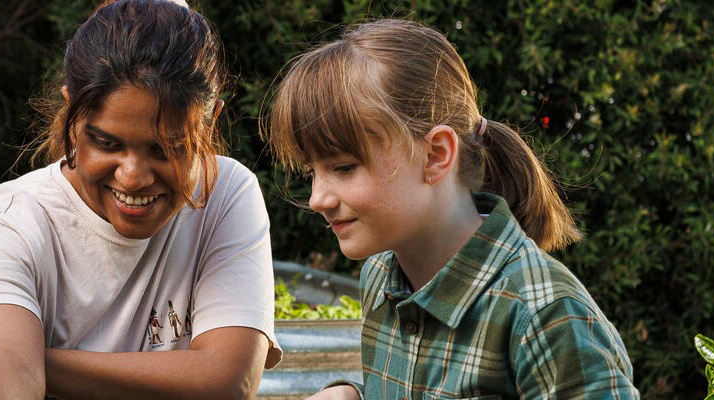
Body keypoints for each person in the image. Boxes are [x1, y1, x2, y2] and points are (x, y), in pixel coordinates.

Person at [0, 1, 281, 398]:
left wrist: (32, 361)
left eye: (166, 149)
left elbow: (228, 381)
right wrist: (1, 367)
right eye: (105, 143)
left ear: (210, 122)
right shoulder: (10, 227)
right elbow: (0, 375)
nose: (133, 176)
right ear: (71, 114)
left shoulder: (226, 193)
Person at [265, 19, 639, 399]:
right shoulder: (379, 278)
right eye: (312, 172)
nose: (317, 199)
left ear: (435, 155)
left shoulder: (546, 315)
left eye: (343, 167)